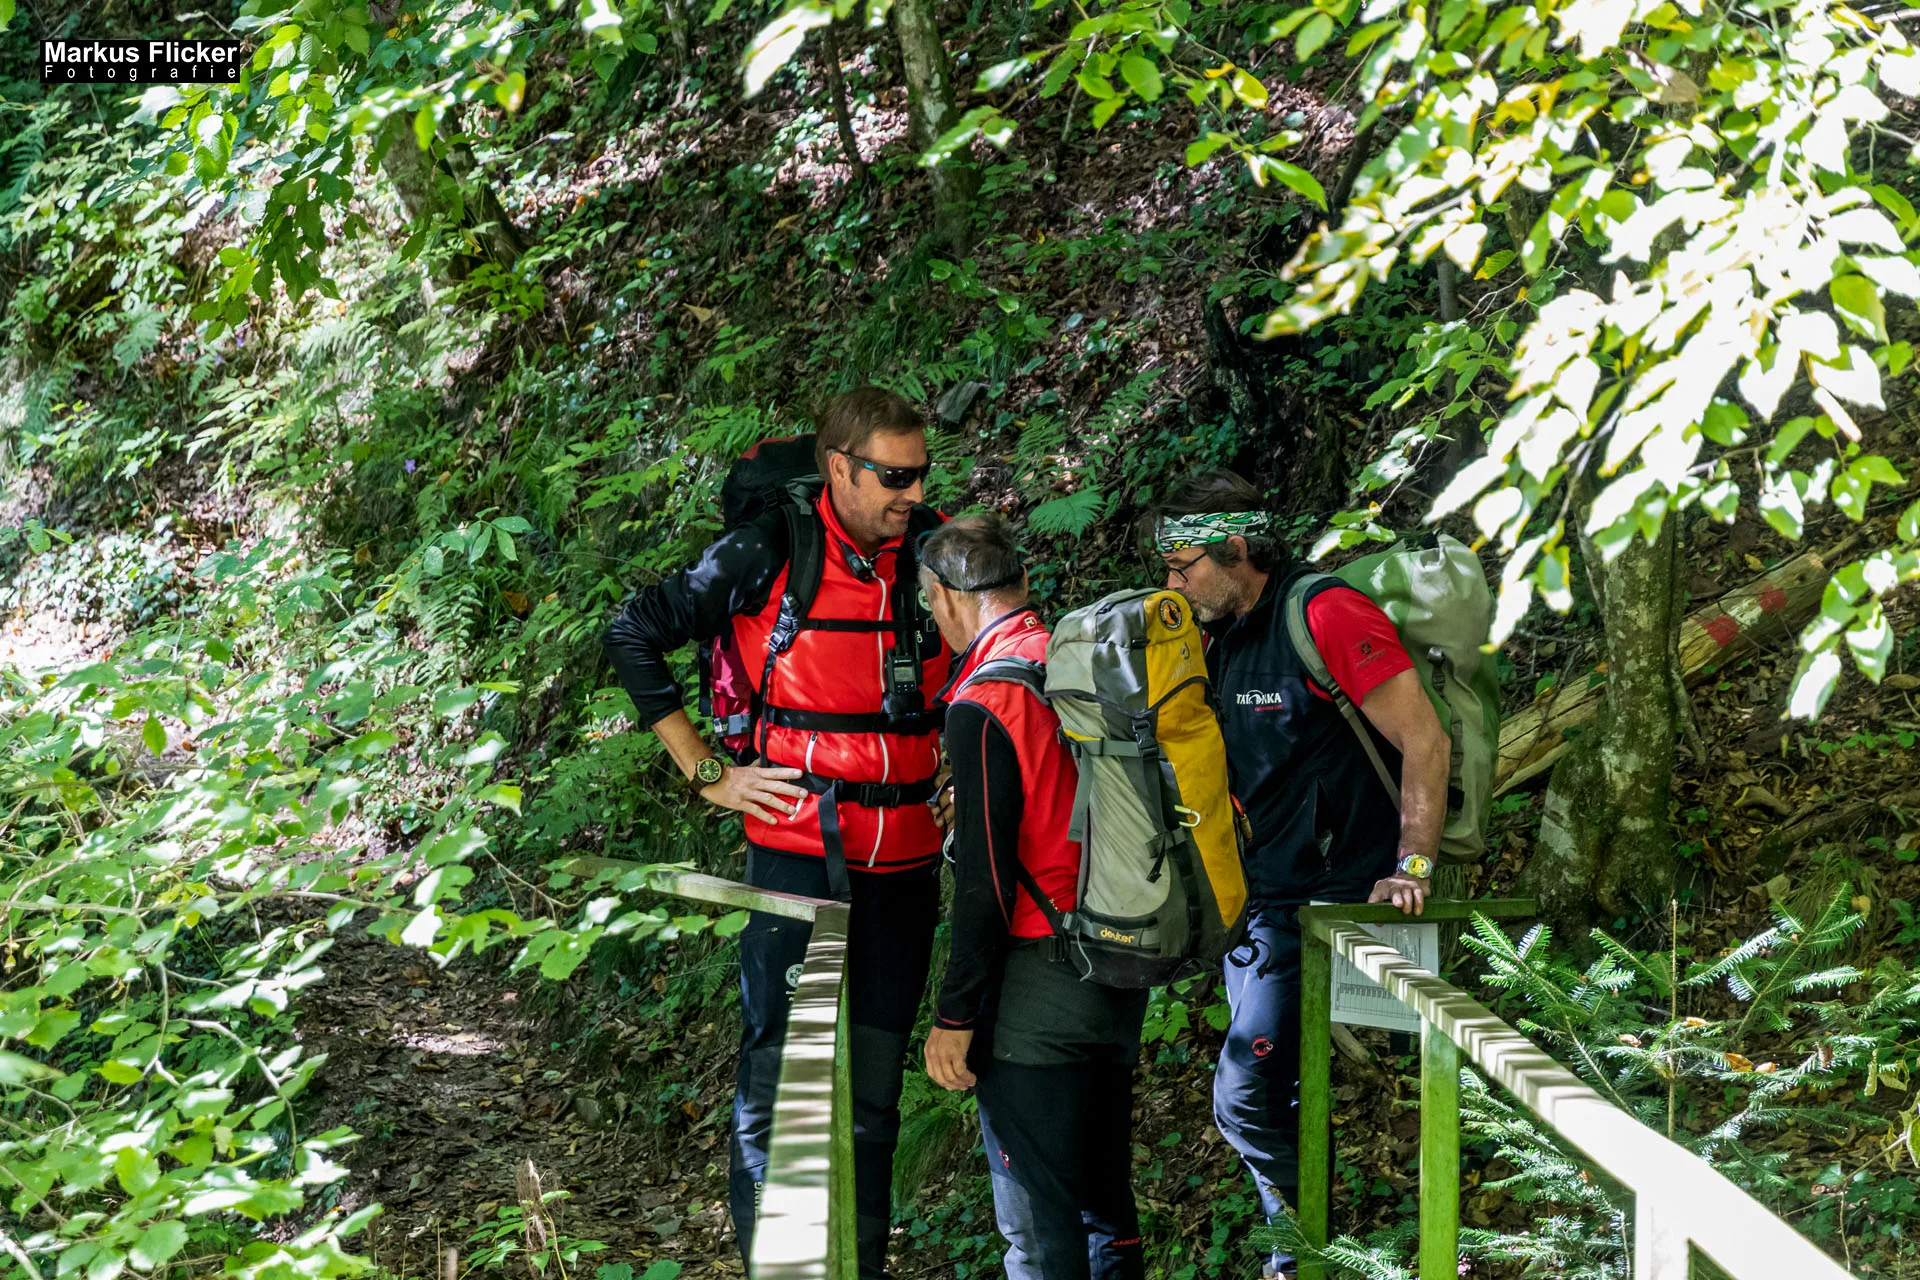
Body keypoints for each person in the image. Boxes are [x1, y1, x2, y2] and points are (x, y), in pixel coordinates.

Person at [603, 387, 953, 1278]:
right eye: (894, 476)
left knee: (873, 1093)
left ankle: (857, 1266)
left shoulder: (935, 549)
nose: (912, 494)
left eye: (920, 474)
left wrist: (960, 765)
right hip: (802, 858)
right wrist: (708, 772)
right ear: (840, 468)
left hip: (907, 868)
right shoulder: (770, 549)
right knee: (783, 1086)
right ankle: (781, 1267)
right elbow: (635, 631)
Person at [1151, 470, 1449, 1279]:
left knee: (1242, 1093)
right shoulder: (1217, 633)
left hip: (1327, 897)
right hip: (1253, 902)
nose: (1171, 584)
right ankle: (1297, 1259)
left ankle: (1321, 1246)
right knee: (1270, 1093)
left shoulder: (1323, 614)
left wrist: (1412, 863)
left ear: (1236, 549)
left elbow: (1423, 739)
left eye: (1183, 566)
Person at [919, 515, 1149, 1280]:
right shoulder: (1080, 663)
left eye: (929, 603)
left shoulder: (985, 701)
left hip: (1038, 988)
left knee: (1039, 1233)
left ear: (952, 597)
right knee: (1105, 1214)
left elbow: (985, 883)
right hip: (1121, 962)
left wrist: (955, 1016)